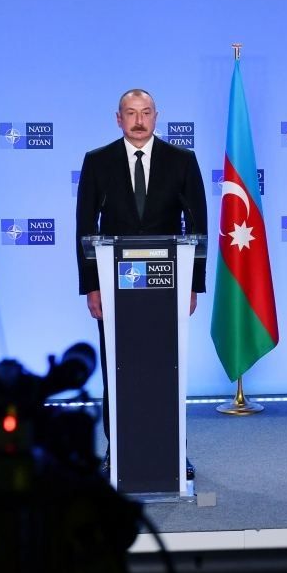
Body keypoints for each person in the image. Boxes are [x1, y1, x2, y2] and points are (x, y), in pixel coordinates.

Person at [75, 88, 207, 479]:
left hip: (167, 288)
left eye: (145, 112)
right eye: (130, 113)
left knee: (168, 368)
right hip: (115, 289)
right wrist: (92, 287)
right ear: (118, 118)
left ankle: (173, 451)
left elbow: (197, 226)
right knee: (118, 369)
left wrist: (193, 285)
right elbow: (85, 227)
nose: (138, 120)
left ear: (156, 116)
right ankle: (117, 448)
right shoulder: (98, 162)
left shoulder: (182, 161)